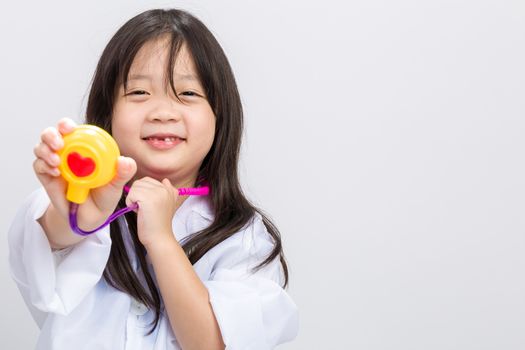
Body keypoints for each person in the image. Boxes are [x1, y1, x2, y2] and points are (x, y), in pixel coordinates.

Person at [8, 8, 298, 350]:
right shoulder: (78, 198)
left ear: (220, 116)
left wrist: (161, 239)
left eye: (188, 93)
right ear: (107, 115)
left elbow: (214, 344)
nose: (163, 111)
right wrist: (79, 215)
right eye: (139, 93)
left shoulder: (244, 238)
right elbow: (48, 239)